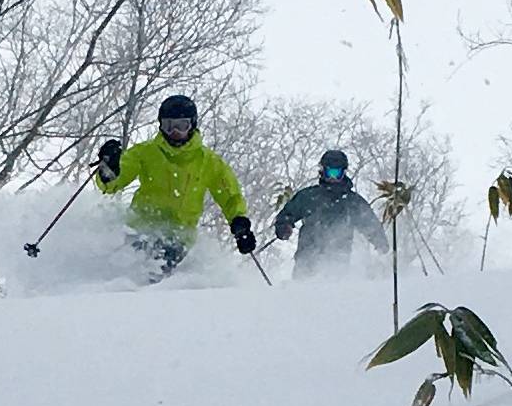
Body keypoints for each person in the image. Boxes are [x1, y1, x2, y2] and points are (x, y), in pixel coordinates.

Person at [95, 94, 256, 282]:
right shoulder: (145, 152)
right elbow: (113, 184)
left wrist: (239, 223)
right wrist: (109, 171)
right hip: (140, 230)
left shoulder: (208, 162)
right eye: (169, 125)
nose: (175, 132)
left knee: (155, 277)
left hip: (179, 238)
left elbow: (230, 196)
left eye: (182, 125)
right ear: (160, 125)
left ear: (192, 125)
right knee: (130, 277)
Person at [274, 149, 389, 279]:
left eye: (337, 173)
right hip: (307, 261)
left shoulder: (352, 202)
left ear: (344, 173)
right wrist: (284, 227)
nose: (333, 178)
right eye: (330, 172)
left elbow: (370, 224)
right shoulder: (308, 197)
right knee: (304, 293)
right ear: (322, 171)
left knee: (334, 293)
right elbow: (287, 215)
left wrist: (380, 244)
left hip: (338, 262)